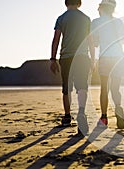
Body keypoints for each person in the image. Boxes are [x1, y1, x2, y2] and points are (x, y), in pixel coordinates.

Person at [50, 0, 95, 135]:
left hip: (66, 57)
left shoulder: (61, 18)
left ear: (66, 2)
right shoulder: (86, 18)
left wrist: (52, 58)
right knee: (82, 86)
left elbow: (56, 39)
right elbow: (90, 40)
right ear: (79, 3)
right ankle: (81, 112)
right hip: (82, 57)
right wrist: (93, 59)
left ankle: (67, 115)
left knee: (66, 87)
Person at [91, 0, 124, 129]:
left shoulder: (95, 22)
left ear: (101, 8)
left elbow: (94, 42)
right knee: (115, 88)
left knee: (104, 88)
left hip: (105, 57)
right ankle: (118, 108)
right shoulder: (118, 22)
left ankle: (104, 117)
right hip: (118, 57)